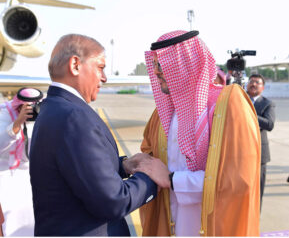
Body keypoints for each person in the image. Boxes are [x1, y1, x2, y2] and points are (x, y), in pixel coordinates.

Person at [29, 34, 169, 236]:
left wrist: (123, 166)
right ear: (75, 65)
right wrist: (151, 177)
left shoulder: (53, 108)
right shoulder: (73, 117)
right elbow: (113, 202)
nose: (104, 77)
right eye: (100, 67)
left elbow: (75, 169)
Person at [136, 30, 261, 236]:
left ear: (183, 65)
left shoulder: (227, 106)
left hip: (212, 225)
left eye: (161, 64)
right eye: (155, 64)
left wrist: (173, 180)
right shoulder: (162, 114)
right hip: (169, 223)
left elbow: (238, 179)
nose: (156, 72)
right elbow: (150, 157)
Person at [0, 87, 43, 236]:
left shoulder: (40, 115)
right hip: (7, 179)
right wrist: (17, 123)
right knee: (11, 224)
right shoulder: (5, 113)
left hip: (31, 179)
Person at [246, 73, 276, 207]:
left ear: (262, 87)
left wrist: (249, 112)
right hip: (240, 154)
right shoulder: (240, 99)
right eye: (251, 81)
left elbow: (269, 124)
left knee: (257, 193)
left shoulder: (268, 104)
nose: (253, 84)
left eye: (257, 82)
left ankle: (255, 224)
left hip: (259, 154)